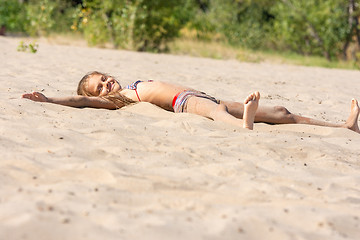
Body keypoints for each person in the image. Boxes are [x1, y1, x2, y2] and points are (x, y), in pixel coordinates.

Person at [22, 71, 360, 133]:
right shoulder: (118, 99)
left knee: (283, 113)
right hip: (184, 103)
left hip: (205, 96)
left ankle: (343, 126)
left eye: (104, 78)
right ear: (98, 95)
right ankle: (245, 127)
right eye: (100, 87)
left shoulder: (129, 84)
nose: (107, 84)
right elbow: (81, 103)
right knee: (216, 113)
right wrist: (49, 98)